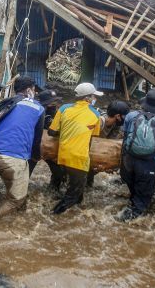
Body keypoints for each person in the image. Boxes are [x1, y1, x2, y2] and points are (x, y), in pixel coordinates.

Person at [0, 76, 44, 215]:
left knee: (14, 190)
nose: (35, 92)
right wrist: (36, 157)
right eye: (33, 89)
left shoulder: (7, 102)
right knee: (16, 200)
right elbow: (37, 139)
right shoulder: (38, 108)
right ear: (28, 90)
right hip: (12, 159)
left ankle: (16, 218)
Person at [48, 83, 102, 215]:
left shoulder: (63, 109)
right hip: (79, 159)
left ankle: (74, 215)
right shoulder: (96, 115)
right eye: (93, 96)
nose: (95, 98)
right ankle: (54, 215)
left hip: (62, 156)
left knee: (78, 191)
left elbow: (51, 132)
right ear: (88, 98)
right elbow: (93, 136)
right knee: (72, 195)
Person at [118, 88, 155, 221]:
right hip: (148, 164)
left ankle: (125, 215)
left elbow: (124, 135)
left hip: (128, 161)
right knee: (141, 203)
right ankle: (125, 225)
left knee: (134, 191)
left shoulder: (131, 116)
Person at [27, 89, 63, 186]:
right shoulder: (34, 110)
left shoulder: (55, 111)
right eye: (53, 101)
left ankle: (53, 190)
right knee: (25, 173)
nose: (56, 103)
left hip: (50, 146)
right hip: (34, 146)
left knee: (59, 173)